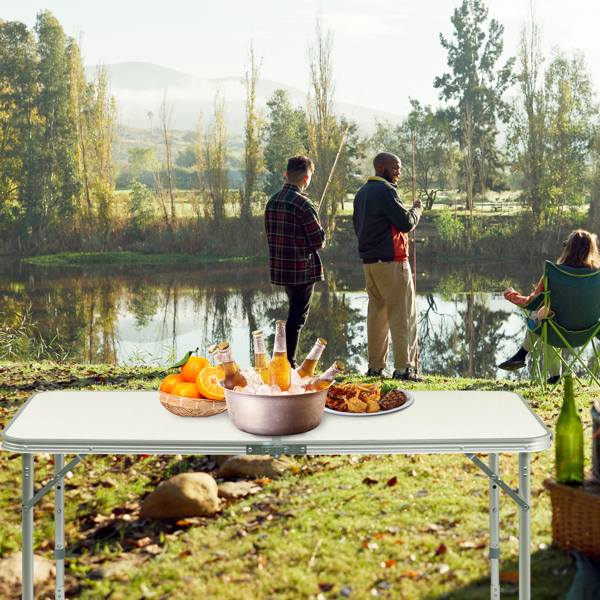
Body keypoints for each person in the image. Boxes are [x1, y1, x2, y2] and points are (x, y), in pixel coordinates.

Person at [353, 152, 423, 381]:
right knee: (403, 316)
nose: (399, 172)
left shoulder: (361, 193)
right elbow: (405, 223)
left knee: (377, 318)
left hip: (371, 265)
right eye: (395, 168)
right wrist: (417, 210)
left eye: (400, 168)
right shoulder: (385, 190)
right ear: (380, 167)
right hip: (392, 264)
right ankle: (404, 369)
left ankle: (375, 368)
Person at [499, 229, 600, 384]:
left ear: (568, 249)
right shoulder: (597, 275)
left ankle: (523, 356)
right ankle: (552, 375)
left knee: (543, 320)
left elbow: (531, 302)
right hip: (588, 332)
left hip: (558, 332)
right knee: (548, 320)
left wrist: (510, 294)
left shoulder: (554, 273)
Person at [264, 155, 326, 368]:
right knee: (297, 318)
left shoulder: (272, 200)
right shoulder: (303, 203)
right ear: (307, 179)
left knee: (293, 313)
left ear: (287, 174)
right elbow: (318, 241)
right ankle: (288, 363)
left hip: (282, 270)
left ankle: (284, 361)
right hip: (302, 270)